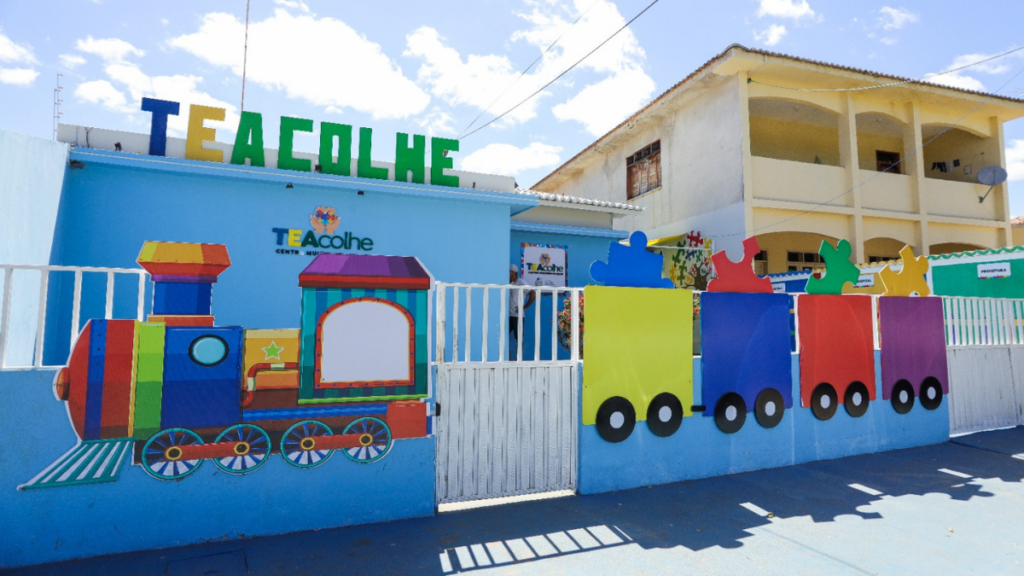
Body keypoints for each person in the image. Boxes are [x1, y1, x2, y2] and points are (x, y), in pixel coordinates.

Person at [509, 264, 535, 359]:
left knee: (519, 339)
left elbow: (533, 293)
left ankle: (518, 360)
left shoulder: (521, 283)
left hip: (518, 316)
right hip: (508, 316)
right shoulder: (509, 283)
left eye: (509, 272)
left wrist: (525, 307)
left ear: (513, 272)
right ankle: (509, 359)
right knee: (503, 337)